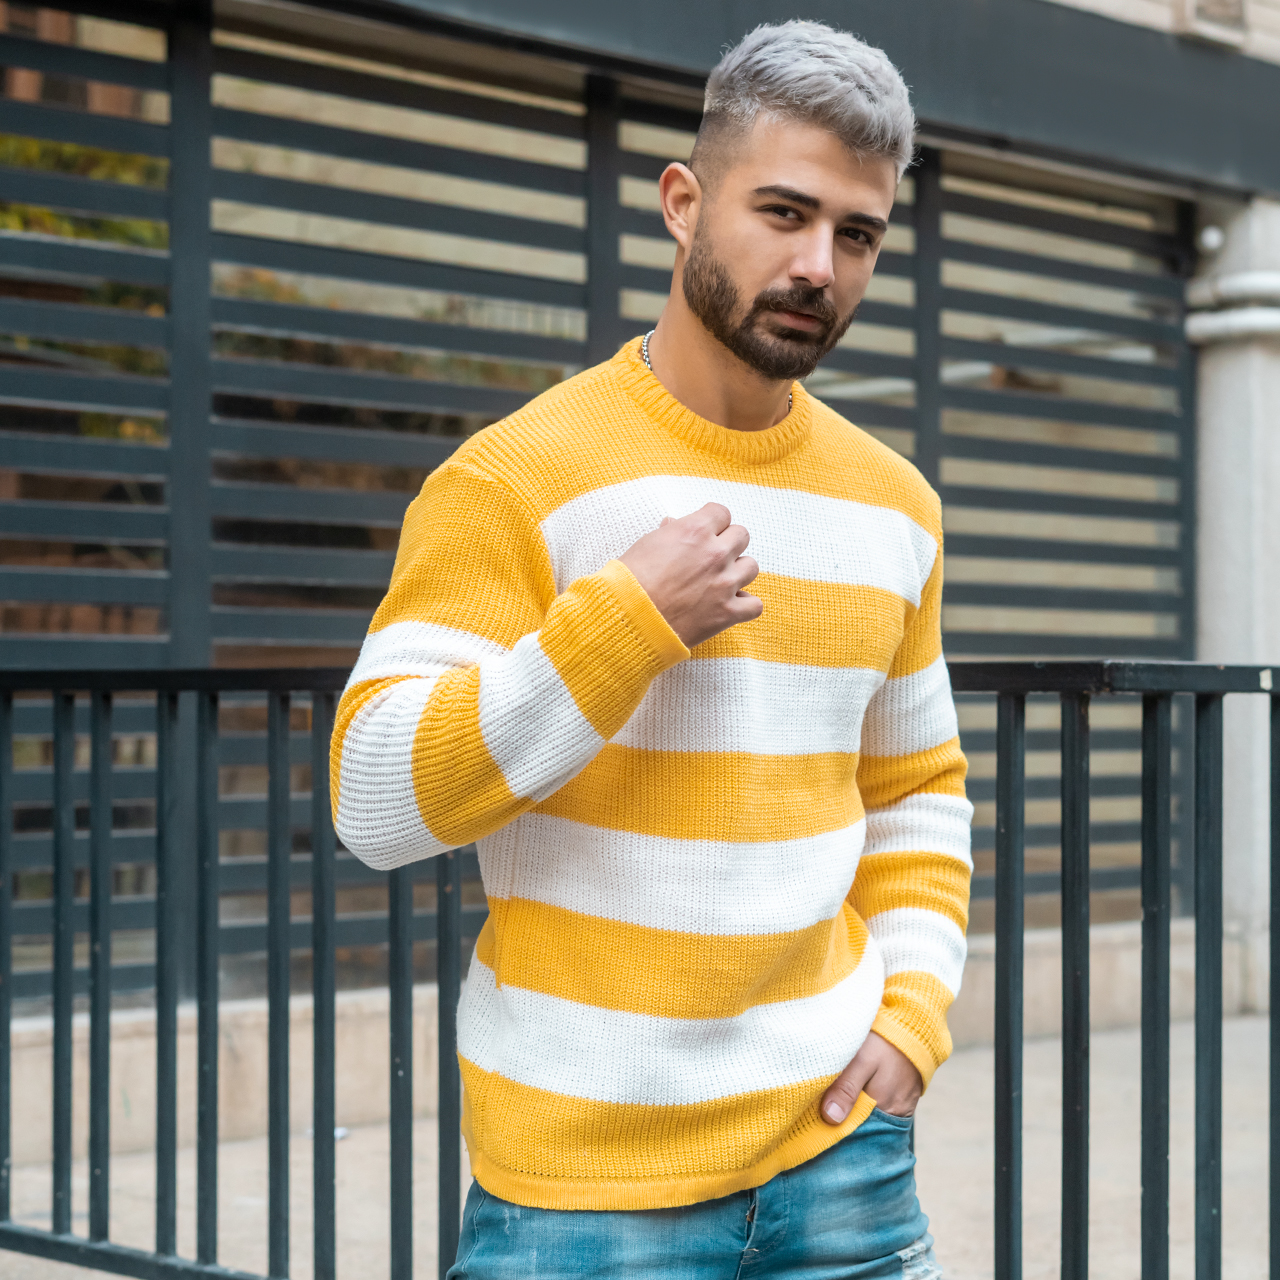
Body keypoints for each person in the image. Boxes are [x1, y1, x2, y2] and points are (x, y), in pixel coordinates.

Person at [331, 19, 971, 1279]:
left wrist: (911, 1016)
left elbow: (913, 786)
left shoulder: (895, 504)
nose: (817, 265)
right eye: (781, 212)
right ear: (682, 203)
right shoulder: (514, 478)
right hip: (582, 1194)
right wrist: (622, 623)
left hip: (842, 1157)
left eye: (856, 234)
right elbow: (374, 800)